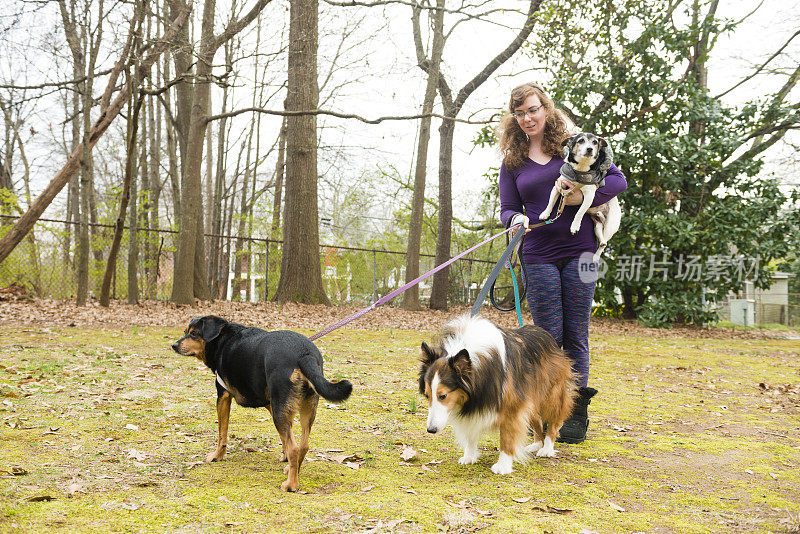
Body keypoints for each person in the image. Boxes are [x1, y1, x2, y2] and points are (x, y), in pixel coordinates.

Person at [497, 82, 627, 444]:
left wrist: (579, 201)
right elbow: (508, 207)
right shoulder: (513, 162)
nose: (527, 118)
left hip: (583, 251)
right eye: (519, 113)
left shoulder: (574, 146)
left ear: (547, 109)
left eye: (533, 110)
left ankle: (574, 414)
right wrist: (513, 221)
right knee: (549, 336)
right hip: (537, 252)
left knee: (577, 334)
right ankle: (546, 412)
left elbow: (618, 180)